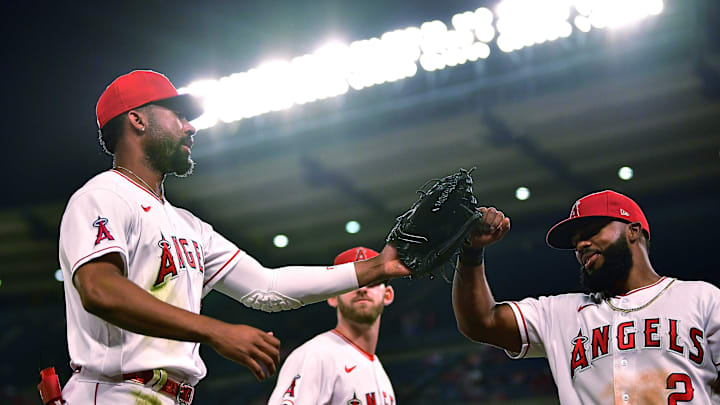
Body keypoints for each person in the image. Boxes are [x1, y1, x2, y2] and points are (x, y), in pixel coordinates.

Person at [58, 70, 410, 405]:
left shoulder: (188, 225)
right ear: (137, 120)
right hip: (111, 392)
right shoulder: (102, 195)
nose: (190, 127)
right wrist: (216, 331)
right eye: (178, 115)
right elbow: (100, 290)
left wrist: (377, 267)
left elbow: (268, 286)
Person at [451, 190, 720, 404]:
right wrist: (471, 253)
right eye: (575, 241)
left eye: (593, 231)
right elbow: (481, 322)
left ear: (633, 231)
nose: (580, 245)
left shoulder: (701, 298)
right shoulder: (560, 313)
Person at [269, 247, 396, 405]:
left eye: (372, 282)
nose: (363, 289)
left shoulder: (377, 368)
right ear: (332, 296)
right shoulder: (314, 355)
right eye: (353, 284)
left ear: (388, 295)